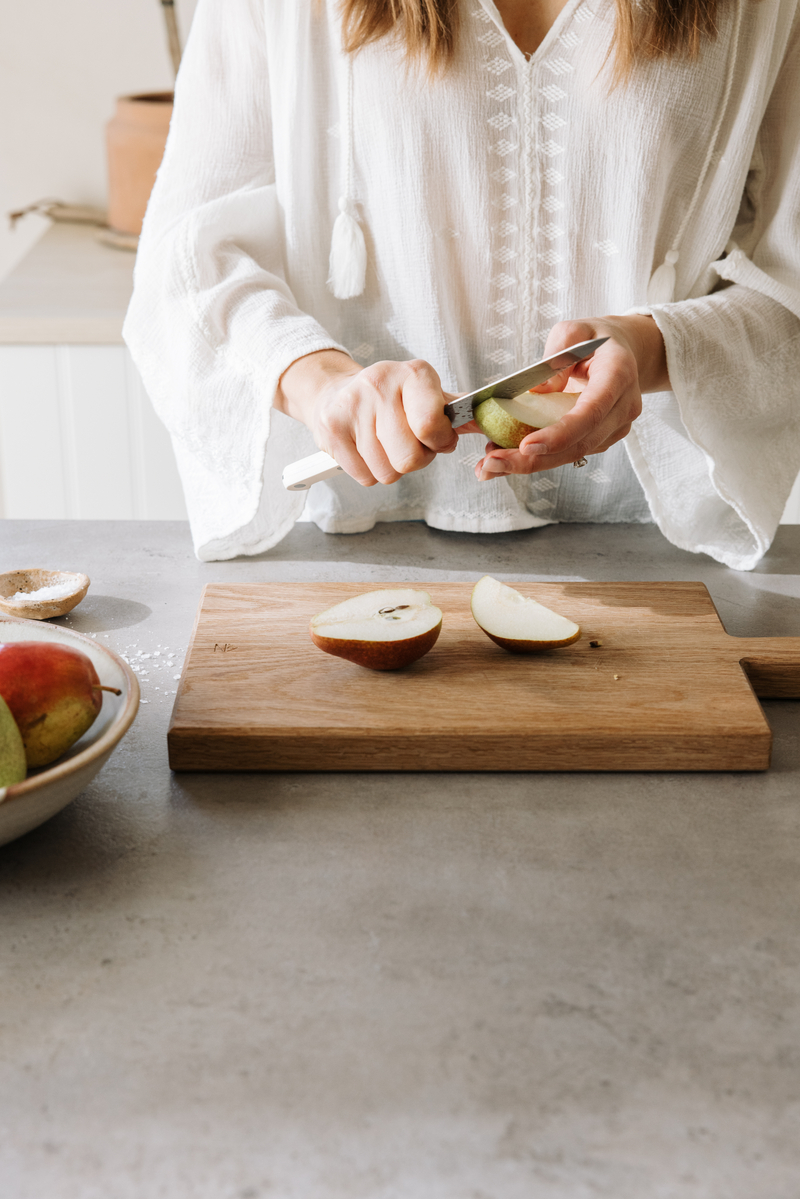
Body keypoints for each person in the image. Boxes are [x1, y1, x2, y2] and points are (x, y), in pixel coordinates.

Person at [124, 0, 800, 568]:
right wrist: (322, 379)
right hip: (359, 547)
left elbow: (789, 283)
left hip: (652, 551)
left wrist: (647, 347)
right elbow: (182, 260)